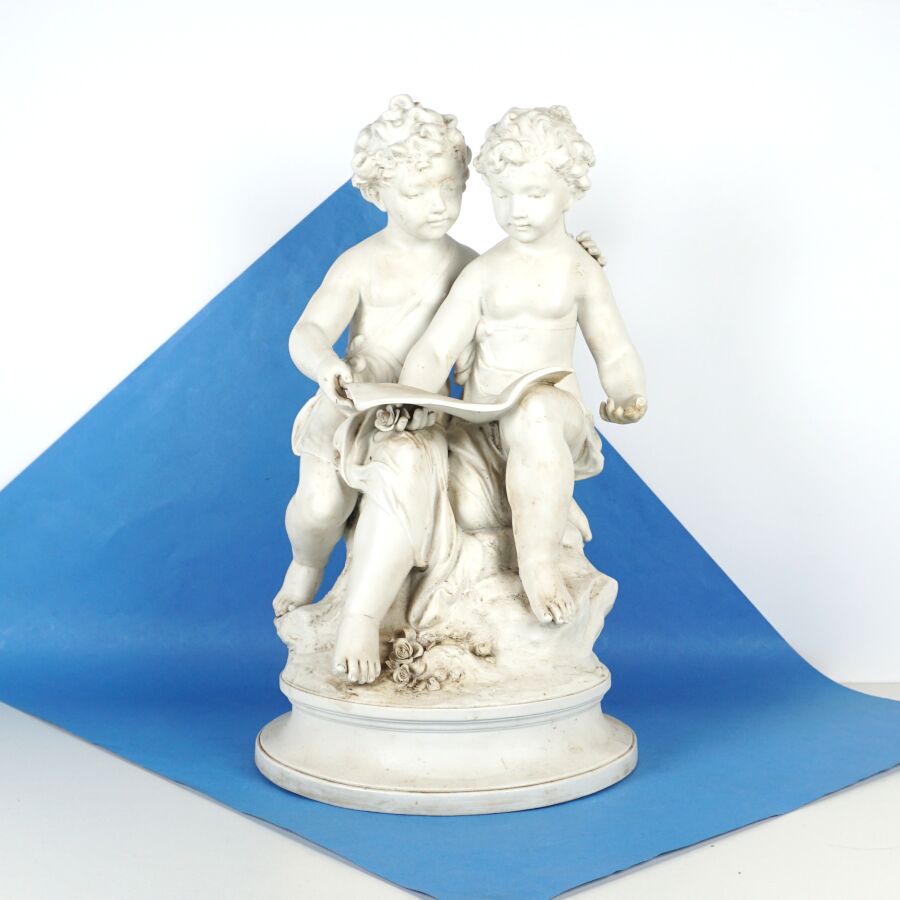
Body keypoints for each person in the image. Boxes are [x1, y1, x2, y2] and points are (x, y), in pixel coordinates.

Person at [398, 105, 647, 628]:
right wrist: (411, 400)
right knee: (464, 508)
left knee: (533, 412)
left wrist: (627, 395)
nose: (517, 210)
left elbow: (614, 349)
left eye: (534, 194)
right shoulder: (484, 272)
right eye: (504, 195)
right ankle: (533, 514)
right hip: (484, 426)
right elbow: (435, 350)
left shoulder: (579, 270)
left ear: (569, 193)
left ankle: (539, 565)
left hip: (554, 417)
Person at [272, 94, 476, 629]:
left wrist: (574, 258)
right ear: (377, 191)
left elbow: (521, 297)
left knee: (417, 494)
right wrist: (327, 367)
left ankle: (383, 605)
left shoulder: (471, 266)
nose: (438, 204)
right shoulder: (361, 262)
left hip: (423, 412)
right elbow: (307, 332)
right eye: (416, 192)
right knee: (319, 509)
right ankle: (306, 562)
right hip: (352, 403)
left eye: (449, 187)